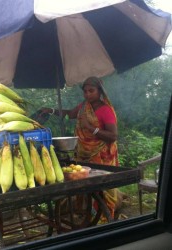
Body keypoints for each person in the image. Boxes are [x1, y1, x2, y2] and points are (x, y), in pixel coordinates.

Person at [40, 76, 121, 219]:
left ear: (99, 91)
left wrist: (91, 128)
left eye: (91, 91)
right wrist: (51, 110)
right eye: (85, 91)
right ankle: (87, 215)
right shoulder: (84, 106)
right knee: (84, 186)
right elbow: (70, 114)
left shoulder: (105, 110)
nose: (88, 94)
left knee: (101, 187)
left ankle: (103, 218)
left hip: (102, 155)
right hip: (83, 153)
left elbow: (113, 136)